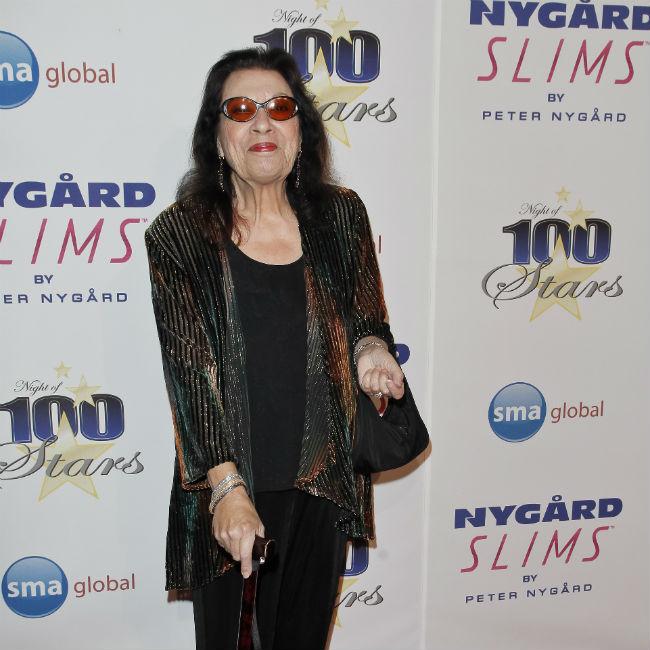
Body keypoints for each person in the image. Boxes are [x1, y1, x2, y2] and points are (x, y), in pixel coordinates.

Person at [144, 47, 408, 650]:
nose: (261, 122)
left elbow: (367, 318)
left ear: (300, 130)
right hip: (232, 488)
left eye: (279, 108)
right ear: (216, 137)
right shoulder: (180, 235)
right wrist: (225, 490)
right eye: (240, 109)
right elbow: (190, 375)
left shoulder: (341, 216)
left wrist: (370, 350)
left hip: (323, 481)